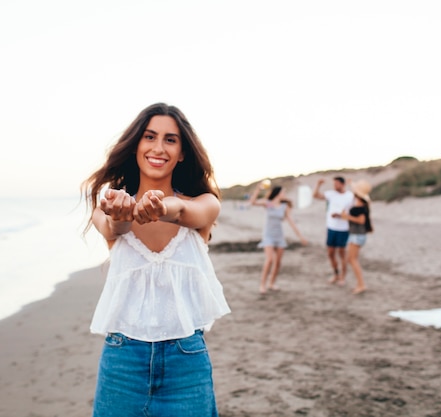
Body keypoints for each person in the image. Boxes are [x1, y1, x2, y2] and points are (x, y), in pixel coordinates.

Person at [80, 103, 231, 417]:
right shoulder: (108, 205)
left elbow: (187, 212)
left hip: (186, 362)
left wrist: (163, 208)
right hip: (122, 362)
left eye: (171, 140)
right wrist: (123, 212)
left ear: (182, 152)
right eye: (149, 137)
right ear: (137, 145)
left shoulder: (204, 204)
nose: (158, 147)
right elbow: (114, 226)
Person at [249, 181, 308, 294]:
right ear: (278, 193)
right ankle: (262, 285)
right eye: (283, 192)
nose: (285, 194)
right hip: (268, 235)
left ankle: (272, 283)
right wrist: (258, 189)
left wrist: (301, 237)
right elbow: (253, 203)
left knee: (278, 263)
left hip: (279, 235)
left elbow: (291, 222)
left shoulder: (284, 206)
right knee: (269, 260)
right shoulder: (269, 203)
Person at [333, 179, 373, 295]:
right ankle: (359, 283)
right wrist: (341, 215)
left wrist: (347, 217)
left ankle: (361, 284)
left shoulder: (360, 205)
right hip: (355, 234)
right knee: (351, 259)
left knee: (352, 260)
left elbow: (361, 220)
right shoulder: (361, 203)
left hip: (357, 235)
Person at [312, 176, 355, 285]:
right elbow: (315, 195)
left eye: (336, 184)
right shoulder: (331, 194)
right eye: (333, 184)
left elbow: (353, 213)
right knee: (330, 253)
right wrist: (318, 184)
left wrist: (341, 215)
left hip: (343, 228)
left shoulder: (350, 196)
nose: (334, 186)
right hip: (331, 227)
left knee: (342, 254)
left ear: (342, 184)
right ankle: (336, 274)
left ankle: (342, 277)